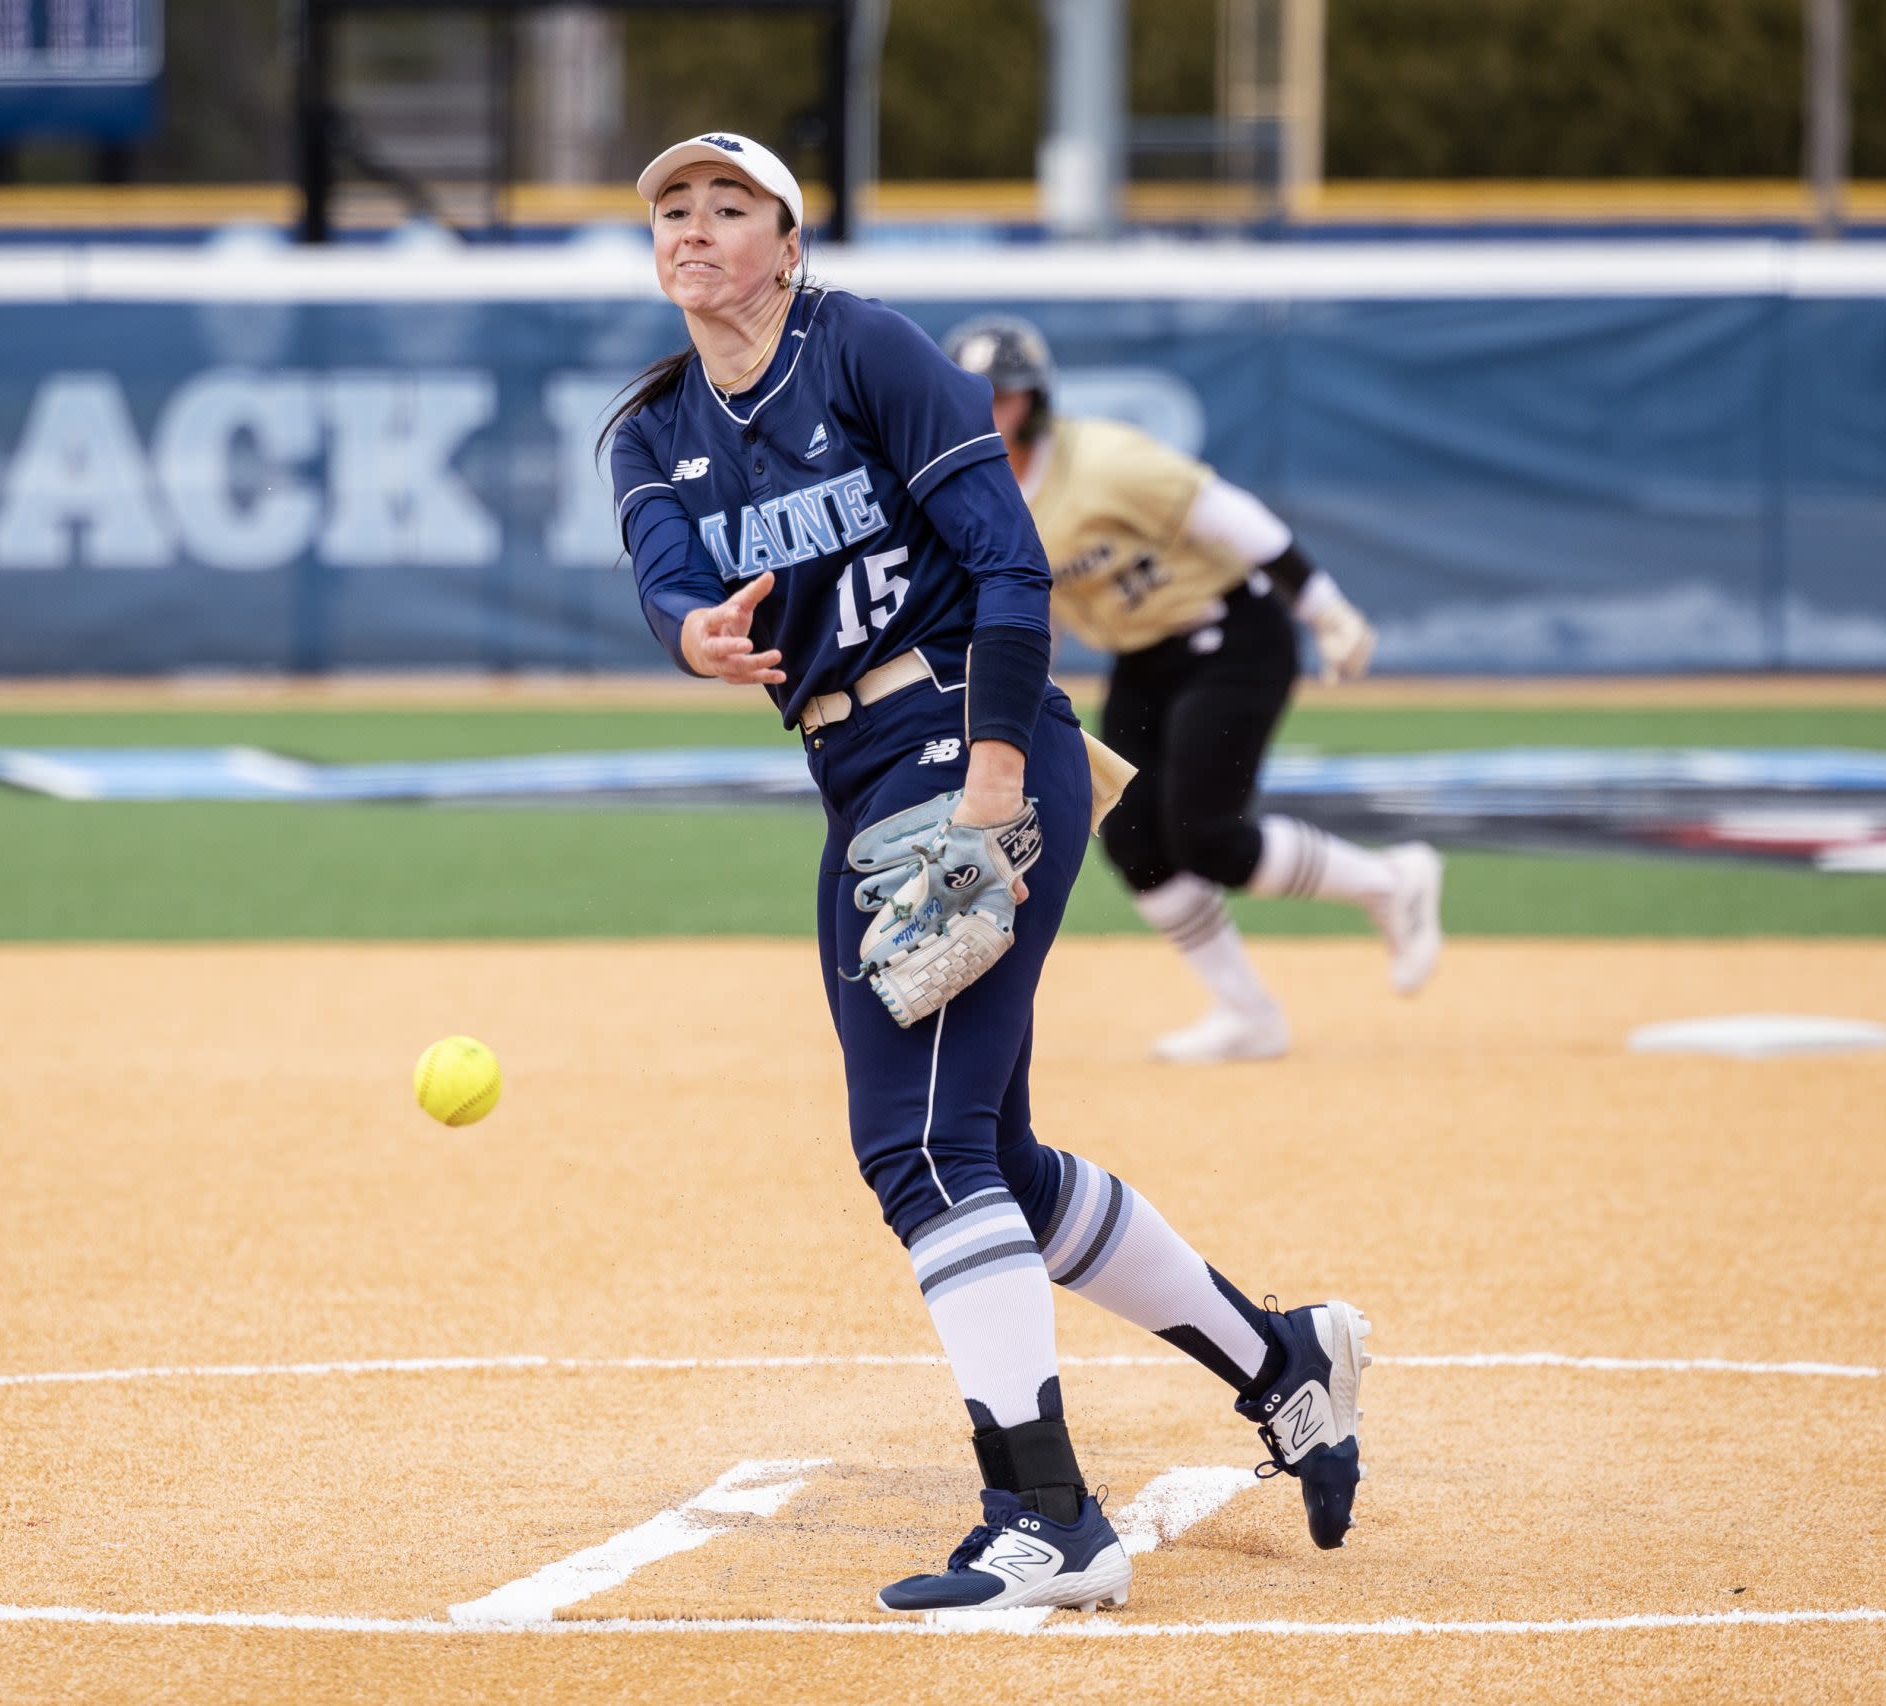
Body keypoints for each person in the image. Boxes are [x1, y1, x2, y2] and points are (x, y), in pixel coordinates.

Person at [604, 133, 1371, 1615]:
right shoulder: (652, 426)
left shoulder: (871, 352)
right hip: (856, 785)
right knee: (989, 1155)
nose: (694, 231)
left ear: (785, 237)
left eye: (727, 206)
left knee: (917, 1146)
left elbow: (1010, 563)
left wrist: (998, 782)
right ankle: (1284, 1360)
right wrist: (691, 633)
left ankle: (1045, 1514)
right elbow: (663, 569)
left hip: (971, 740)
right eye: (671, 211)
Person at [940, 316, 1443, 1066]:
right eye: (976, 396)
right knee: (1134, 837)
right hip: (1141, 655)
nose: (992, 411)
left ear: (1034, 399)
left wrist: (1326, 609)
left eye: (1005, 395)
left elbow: (1234, 517)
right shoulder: (974, 491)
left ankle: (1389, 881)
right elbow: (1027, 604)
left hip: (1231, 635)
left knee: (1207, 833)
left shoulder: (1104, 462)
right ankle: (1248, 1014)